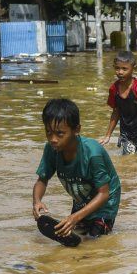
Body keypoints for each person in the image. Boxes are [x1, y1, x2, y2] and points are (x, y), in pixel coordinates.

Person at [33, 99, 121, 241]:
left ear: (76, 130)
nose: (53, 139)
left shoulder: (93, 153)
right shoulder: (52, 149)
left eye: (60, 134)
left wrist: (75, 217)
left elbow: (104, 194)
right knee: (73, 235)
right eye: (48, 132)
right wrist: (37, 201)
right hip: (81, 199)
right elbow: (42, 179)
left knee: (94, 240)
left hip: (106, 201)